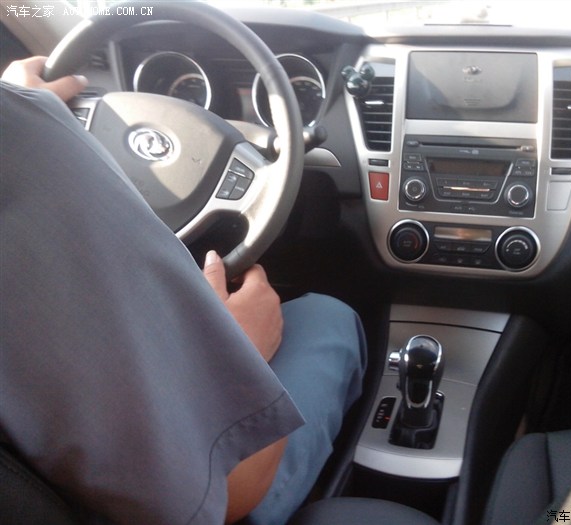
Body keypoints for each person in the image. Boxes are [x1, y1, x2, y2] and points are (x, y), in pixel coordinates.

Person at [0, 56, 367, 524]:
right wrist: (238, 353)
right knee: (327, 318)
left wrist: (29, 108)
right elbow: (225, 492)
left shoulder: (21, 125)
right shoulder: (22, 134)